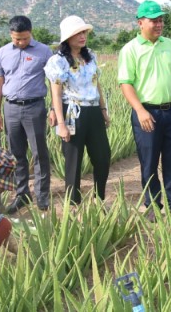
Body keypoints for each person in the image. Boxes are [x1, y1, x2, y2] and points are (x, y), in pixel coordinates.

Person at [118, 0, 171, 212]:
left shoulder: (168, 44)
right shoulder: (130, 49)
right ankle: (152, 205)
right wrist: (140, 110)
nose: (159, 24)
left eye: (161, 20)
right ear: (140, 23)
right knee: (149, 162)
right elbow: (126, 83)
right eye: (154, 21)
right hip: (147, 113)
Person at [44, 15, 111, 204]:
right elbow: (56, 95)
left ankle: (100, 199)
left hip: (93, 112)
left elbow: (97, 85)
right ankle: (73, 204)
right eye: (77, 33)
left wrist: (103, 110)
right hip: (72, 113)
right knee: (73, 161)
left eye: (84, 32)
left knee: (103, 157)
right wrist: (61, 124)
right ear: (67, 38)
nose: (82, 36)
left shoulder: (90, 57)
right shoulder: (57, 61)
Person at [0, 16, 54, 214]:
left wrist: (54, 107)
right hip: (10, 108)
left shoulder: (44, 51)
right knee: (16, 154)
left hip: (34, 107)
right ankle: (22, 194)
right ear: (11, 34)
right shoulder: (2, 52)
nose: (20, 43)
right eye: (16, 39)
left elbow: (54, 82)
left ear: (31, 32)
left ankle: (42, 194)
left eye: (24, 39)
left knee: (39, 152)